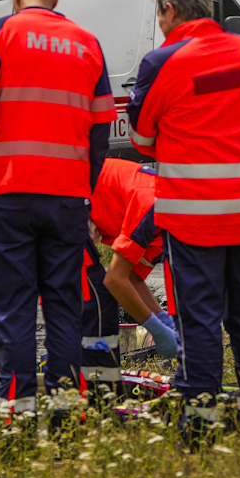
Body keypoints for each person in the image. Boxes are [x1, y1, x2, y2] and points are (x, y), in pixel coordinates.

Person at [0, 0, 114, 420]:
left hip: (8, 195)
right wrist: (86, 188)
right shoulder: (87, 44)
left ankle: (16, 416)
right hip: (67, 199)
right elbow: (101, 130)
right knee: (65, 306)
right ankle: (66, 413)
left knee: (12, 309)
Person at [128, 0, 240, 438]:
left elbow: (141, 137)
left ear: (170, 11)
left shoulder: (162, 62)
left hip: (193, 218)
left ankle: (200, 427)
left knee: (199, 324)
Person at [81, 157, 179, 387]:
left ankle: (93, 383)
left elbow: (132, 278)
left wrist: (165, 322)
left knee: (94, 298)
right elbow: (115, 280)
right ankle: (93, 390)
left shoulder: (165, 227)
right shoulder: (153, 208)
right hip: (63, 197)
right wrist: (156, 329)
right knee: (96, 298)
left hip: (81, 203)